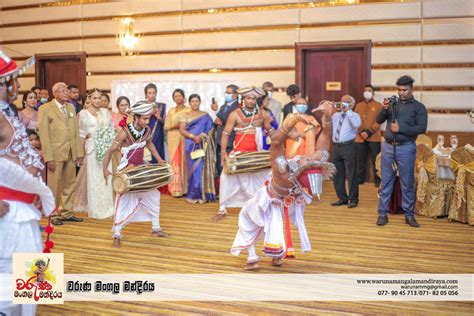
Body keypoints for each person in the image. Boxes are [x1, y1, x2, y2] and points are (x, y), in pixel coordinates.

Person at [230, 106, 334, 270]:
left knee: (249, 222)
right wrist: (327, 117)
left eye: (306, 161)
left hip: (272, 202)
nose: (307, 158)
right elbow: (326, 137)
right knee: (271, 223)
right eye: (308, 159)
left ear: (302, 170)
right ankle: (271, 256)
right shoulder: (312, 163)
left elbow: (277, 142)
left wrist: (295, 118)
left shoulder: (283, 170)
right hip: (284, 202)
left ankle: (255, 256)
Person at [0, 51, 55, 316]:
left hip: (22, 208)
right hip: (7, 212)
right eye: (10, 81)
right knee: (8, 272)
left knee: (31, 272)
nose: (17, 87)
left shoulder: (9, 115)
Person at [102, 101, 168, 248]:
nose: (147, 121)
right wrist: (105, 169)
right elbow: (110, 151)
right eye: (144, 118)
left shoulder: (146, 130)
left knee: (153, 195)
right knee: (123, 202)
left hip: (140, 168)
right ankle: (117, 235)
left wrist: (159, 159)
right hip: (127, 170)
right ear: (136, 118)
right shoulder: (124, 132)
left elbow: (149, 144)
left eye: (149, 118)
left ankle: (156, 228)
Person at [212, 87, 275, 221]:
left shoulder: (262, 114)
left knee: (264, 177)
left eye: (253, 98)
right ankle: (222, 209)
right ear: (243, 99)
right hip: (239, 153)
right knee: (225, 178)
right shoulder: (235, 114)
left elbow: (270, 130)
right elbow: (225, 133)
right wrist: (223, 152)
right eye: (248, 98)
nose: (251, 101)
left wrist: (272, 133)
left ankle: (262, 206)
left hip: (255, 154)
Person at [375, 75, 427, 227]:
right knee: (386, 181)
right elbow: (379, 120)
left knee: (407, 183)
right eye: (399, 90)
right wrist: (384, 108)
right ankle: (382, 214)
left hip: (406, 147)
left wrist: (401, 128)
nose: (401, 93)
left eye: (405, 90)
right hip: (388, 147)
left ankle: (409, 215)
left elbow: (422, 128)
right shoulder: (392, 104)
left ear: (412, 89)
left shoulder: (419, 107)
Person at [38, 82, 84, 226]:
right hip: (55, 154)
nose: (66, 93)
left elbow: (75, 132)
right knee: (54, 186)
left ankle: (67, 212)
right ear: (55, 93)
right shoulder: (45, 108)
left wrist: (78, 152)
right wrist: (48, 157)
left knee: (70, 184)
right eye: (63, 91)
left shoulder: (70, 107)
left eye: (67, 91)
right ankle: (53, 214)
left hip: (70, 152)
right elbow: (44, 135)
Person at [73, 88, 115, 219]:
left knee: (106, 177)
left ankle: (109, 207)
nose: (98, 101)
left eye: (99, 98)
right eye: (94, 98)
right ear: (89, 99)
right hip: (92, 149)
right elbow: (80, 134)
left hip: (106, 148)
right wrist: (80, 152)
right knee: (95, 178)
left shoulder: (106, 112)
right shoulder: (83, 114)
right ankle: (96, 208)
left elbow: (111, 129)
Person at [178, 94, 216, 204]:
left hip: (203, 144)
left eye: (197, 101)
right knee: (192, 170)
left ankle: (203, 195)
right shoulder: (184, 115)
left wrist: (203, 136)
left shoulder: (205, 115)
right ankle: (192, 195)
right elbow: (182, 130)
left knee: (201, 169)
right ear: (189, 103)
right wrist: (193, 137)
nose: (195, 103)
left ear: (200, 102)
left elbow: (212, 129)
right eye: (193, 101)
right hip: (190, 144)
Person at [330, 95, 361, 209]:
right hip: (336, 147)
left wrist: (348, 111)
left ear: (352, 104)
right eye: (342, 101)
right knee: (337, 173)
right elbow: (327, 125)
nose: (343, 103)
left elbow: (356, 125)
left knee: (351, 174)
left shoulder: (355, 115)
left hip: (349, 146)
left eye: (347, 102)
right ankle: (342, 198)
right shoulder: (335, 115)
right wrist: (329, 109)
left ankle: (353, 199)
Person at [354, 84, 382, 187]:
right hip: (360, 138)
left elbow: (379, 121)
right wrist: (361, 132)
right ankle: (359, 179)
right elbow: (355, 120)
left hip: (374, 137)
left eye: (369, 90)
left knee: (376, 160)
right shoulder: (358, 105)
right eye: (365, 90)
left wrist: (369, 132)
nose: (367, 92)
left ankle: (378, 180)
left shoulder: (379, 105)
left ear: (373, 93)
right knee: (360, 160)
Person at [164, 88, 190, 197]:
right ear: (173, 98)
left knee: (185, 161)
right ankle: (176, 189)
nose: (178, 98)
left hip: (185, 138)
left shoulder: (189, 110)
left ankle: (186, 188)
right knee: (175, 161)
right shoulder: (170, 111)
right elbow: (166, 126)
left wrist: (183, 126)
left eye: (180, 95)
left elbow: (192, 124)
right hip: (173, 139)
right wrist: (176, 125)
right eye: (175, 96)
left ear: (184, 97)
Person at [212, 84, 239, 176]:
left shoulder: (237, 107)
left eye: (228, 93)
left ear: (235, 95)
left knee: (227, 167)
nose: (226, 94)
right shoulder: (223, 106)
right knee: (219, 166)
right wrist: (216, 122)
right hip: (219, 141)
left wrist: (216, 111)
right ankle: (220, 187)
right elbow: (221, 120)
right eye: (226, 92)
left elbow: (228, 120)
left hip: (229, 141)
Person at [145, 83, 166, 162]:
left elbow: (164, 122)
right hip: (145, 134)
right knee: (146, 158)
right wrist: (151, 113)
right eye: (149, 93)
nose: (152, 95)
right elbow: (139, 119)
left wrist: (158, 117)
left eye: (153, 93)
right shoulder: (142, 105)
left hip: (158, 135)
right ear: (146, 94)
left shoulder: (161, 106)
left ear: (156, 93)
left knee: (158, 157)